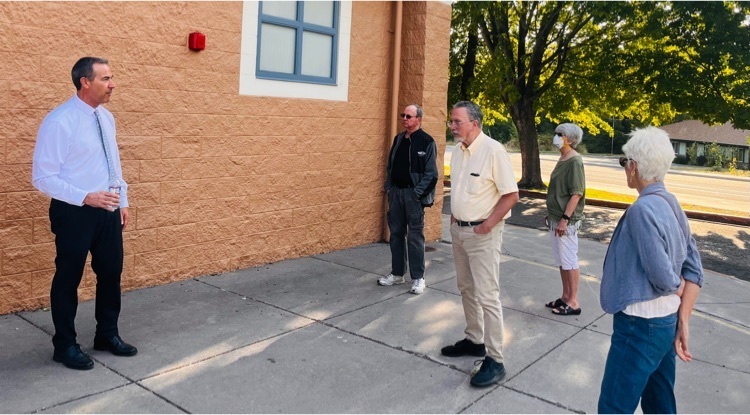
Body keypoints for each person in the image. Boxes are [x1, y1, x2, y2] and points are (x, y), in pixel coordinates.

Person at [32, 57, 137, 371]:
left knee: (110, 275)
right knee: (68, 279)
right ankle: (64, 345)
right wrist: (85, 197)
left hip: (108, 210)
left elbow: (112, 164)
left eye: (112, 77)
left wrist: (123, 201)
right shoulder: (59, 121)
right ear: (85, 82)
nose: (112, 84)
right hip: (73, 212)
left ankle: (107, 335)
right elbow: (42, 177)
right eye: (106, 78)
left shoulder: (106, 118)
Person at [598, 127, 703, 413]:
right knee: (660, 403)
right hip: (665, 322)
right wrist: (682, 318)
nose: (624, 169)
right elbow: (695, 268)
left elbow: (662, 276)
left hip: (638, 325)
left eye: (624, 163)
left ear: (633, 167)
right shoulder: (672, 204)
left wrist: (677, 287)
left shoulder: (642, 210)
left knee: (613, 406)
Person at [440, 101, 519, 387]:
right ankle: (475, 340)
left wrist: (487, 224)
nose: (452, 126)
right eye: (452, 121)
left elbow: (511, 195)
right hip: (459, 230)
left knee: (488, 295)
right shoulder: (459, 152)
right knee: (466, 288)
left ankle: (496, 359)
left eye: (457, 121)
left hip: (483, 234)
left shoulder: (493, 151)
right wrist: (453, 219)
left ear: (475, 123)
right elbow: (459, 188)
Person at [378, 104, 438, 295]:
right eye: (403, 115)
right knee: (395, 235)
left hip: (413, 196)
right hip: (396, 194)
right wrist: (389, 187)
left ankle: (418, 278)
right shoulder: (398, 139)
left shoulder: (427, 142)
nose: (405, 119)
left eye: (409, 116)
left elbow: (432, 174)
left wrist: (416, 193)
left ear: (418, 119)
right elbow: (390, 166)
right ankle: (397, 274)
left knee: (414, 237)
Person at [544, 123, 586, 316]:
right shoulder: (563, 158)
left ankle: (573, 301)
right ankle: (565, 296)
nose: (557, 137)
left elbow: (576, 193)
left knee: (569, 260)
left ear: (571, 139)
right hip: (555, 217)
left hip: (565, 220)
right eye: (557, 133)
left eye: (560, 134)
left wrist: (564, 219)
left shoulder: (575, 161)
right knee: (561, 260)